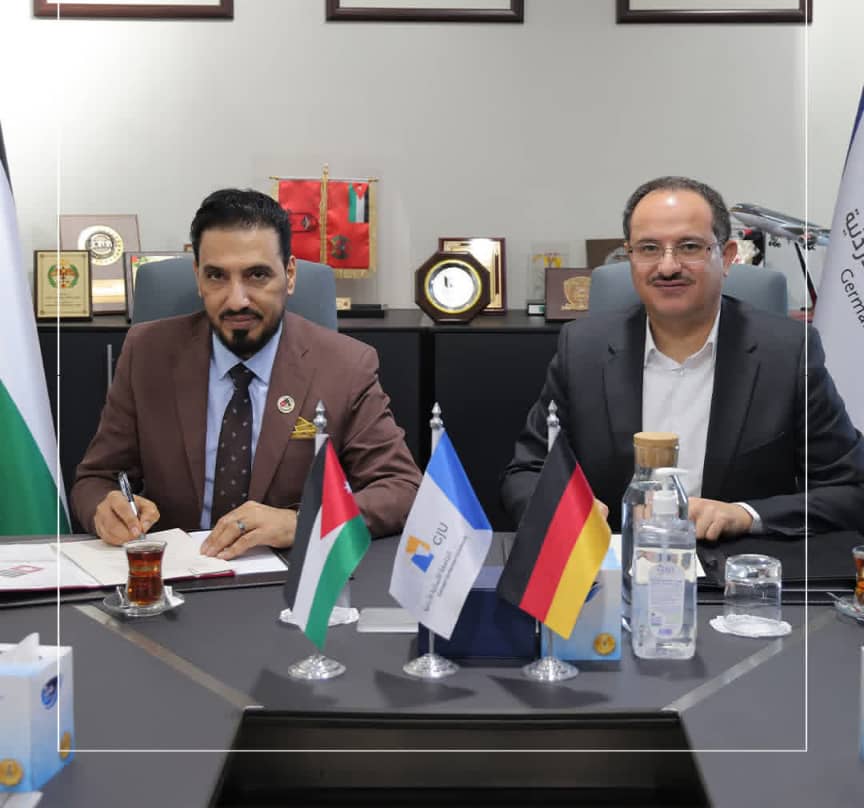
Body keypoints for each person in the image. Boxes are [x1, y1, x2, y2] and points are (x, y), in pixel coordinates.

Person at [501, 177, 864, 540]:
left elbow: (850, 490)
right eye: (649, 248)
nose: (668, 266)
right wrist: (561, 508)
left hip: (734, 566)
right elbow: (526, 473)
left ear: (727, 257)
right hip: (613, 563)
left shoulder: (787, 353)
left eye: (689, 247)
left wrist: (744, 515)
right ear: (630, 257)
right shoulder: (583, 349)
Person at [71, 189, 421, 558]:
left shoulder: (345, 365)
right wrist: (105, 510)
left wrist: (301, 523)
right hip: (175, 573)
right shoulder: (148, 353)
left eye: (257, 275)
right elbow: (96, 479)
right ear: (198, 277)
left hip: (286, 575)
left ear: (289, 275)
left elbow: (401, 488)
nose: (237, 300)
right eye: (216, 276)